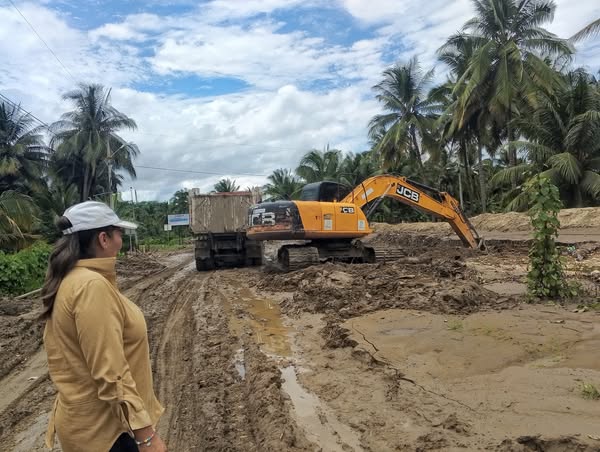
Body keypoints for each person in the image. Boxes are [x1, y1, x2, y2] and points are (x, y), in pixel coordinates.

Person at [40, 201, 166, 451]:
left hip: (90, 428)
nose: (121, 239)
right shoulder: (91, 286)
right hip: (107, 433)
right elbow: (111, 372)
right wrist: (146, 437)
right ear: (103, 239)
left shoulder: (72, 279)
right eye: (118, 233)